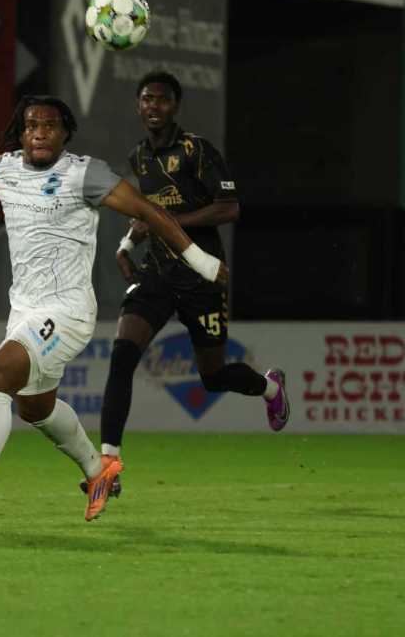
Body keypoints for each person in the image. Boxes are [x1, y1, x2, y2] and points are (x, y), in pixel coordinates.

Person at [0, 94, 228, 528]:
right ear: (21, 132)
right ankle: (98, 471)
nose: (39, 133)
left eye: (49, 125)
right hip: (25, 310)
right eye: (31, 125)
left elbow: (149, 211)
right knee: (35, 408)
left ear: (65, 132)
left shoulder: (84, 174)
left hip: (68, 310)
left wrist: (201, 261)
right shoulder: (4, 168)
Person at [81, 71, 290, 498]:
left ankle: (271, 388)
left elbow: (228, 208)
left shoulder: (197, 150)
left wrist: (169, 222)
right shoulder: (139, 156)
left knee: (213, 376)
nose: (153, 106)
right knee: (122, 357)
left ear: (174, 106)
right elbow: (146, 212)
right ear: (138, 105)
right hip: (157, 273)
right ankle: (108, 466)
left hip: (201, 276)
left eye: (161, 99)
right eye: (146, 99)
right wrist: (125, 245)